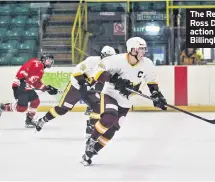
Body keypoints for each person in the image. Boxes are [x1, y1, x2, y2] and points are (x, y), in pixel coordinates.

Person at [81, 37, 167, 166]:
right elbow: (99, 69)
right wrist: (113, 79)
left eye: (144, 49)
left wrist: (157, 95)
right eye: (141, 49)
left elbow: (151, 81)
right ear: (132, 49)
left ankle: (92, 152)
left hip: (126, 101)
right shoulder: (116, 60)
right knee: (109, 117)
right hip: (111, 94)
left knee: (113, 129)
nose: (144, 51)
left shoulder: (147, 63)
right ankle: (92, 140)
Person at [35, 45, 116, 132]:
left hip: (89, 89)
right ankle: (43, 120)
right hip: (76, 87)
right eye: (109, 57)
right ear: (103, 55)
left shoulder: (109, 66)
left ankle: (91, 126)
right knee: (62, 109)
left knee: (98, 106)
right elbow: (77, 71)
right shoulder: (92, 61)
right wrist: (82, 83)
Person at [0, 55, 57, 128]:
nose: (50, 62)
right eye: (48, 60)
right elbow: (26, 73)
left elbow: (36, 83)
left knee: (36, 101)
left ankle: (29, 120)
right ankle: (3, 107)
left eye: (51, 61)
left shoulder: (40, 69)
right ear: (43, 60)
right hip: (20, 86)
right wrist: (22, 81)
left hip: (25, 87)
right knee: (22, 108)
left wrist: (47, 88)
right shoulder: (37, 63)